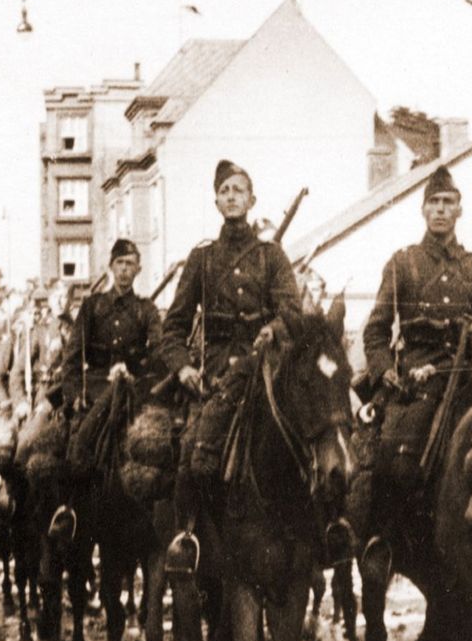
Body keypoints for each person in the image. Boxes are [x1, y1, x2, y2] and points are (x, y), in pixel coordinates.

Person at [163, 159, 302, 574]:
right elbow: (174, 325)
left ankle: (316, 538)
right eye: (224, 191)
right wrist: (183, 366)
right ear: (216, 201)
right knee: (195, 450)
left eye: (238, 190)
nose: (231, 197)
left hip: (266, 369)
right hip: (218, 373)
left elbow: (292, 310)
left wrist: (273, 330)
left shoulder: (271, 256)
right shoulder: (202, 259)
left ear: (252, 199)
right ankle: (188, 537)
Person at [351, 165, 472, 553]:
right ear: (423, 210)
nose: (441, 210)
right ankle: (383, 541)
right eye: (434, 203)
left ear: (459, 211)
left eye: (448, 203)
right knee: (395, 460)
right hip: (419, 380)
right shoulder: (403, 264)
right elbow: (376, 331)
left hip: (468, 375)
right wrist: (386, 373)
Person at [52, 239, 163, 413]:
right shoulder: (92, 306)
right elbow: (72, 356)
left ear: (138, 270)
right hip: (93, 392)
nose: (124, 269)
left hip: (133, 391)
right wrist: (75, 395)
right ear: (111, 266)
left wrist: (137, 369)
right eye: (119, 262)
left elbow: (158, 349)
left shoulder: (146, 309)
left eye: (130, 264)